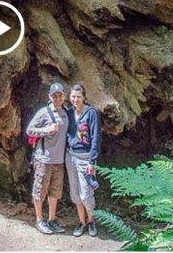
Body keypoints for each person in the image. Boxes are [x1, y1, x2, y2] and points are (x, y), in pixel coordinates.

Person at [26, 82, 69, 235]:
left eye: (60, 95)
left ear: (64, 96)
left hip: (59, 160)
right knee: (39, 190)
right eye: (54, 96)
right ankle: (39, 220)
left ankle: (52, 219)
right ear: (49, 97)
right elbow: (29, 129)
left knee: (55, 192)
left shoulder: (66, 112)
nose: (58, 98)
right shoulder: (44, 112)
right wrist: (46, 130)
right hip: (44, 159)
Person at [64, 83, 102, 237]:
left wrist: (92, 161)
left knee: (86, 194)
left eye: (78, 97)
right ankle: (82, 221)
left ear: (84, 97)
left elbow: (96, 138)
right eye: (73, 96)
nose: (75, 99)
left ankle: (91, 220)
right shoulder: (69, 112)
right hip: (70, 156)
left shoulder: (91, 113)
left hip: (86, 158)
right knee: (75, 193)